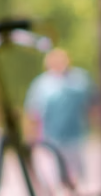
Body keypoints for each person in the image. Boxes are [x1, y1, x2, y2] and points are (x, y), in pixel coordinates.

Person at [23, 48, 95, 187]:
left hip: (76, 135)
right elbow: (33, 113)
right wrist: (31, 136)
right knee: (55, 176)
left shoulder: (80, 80)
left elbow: (92, 106)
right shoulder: (42, 84)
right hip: (50, 137)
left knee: (75, 174)